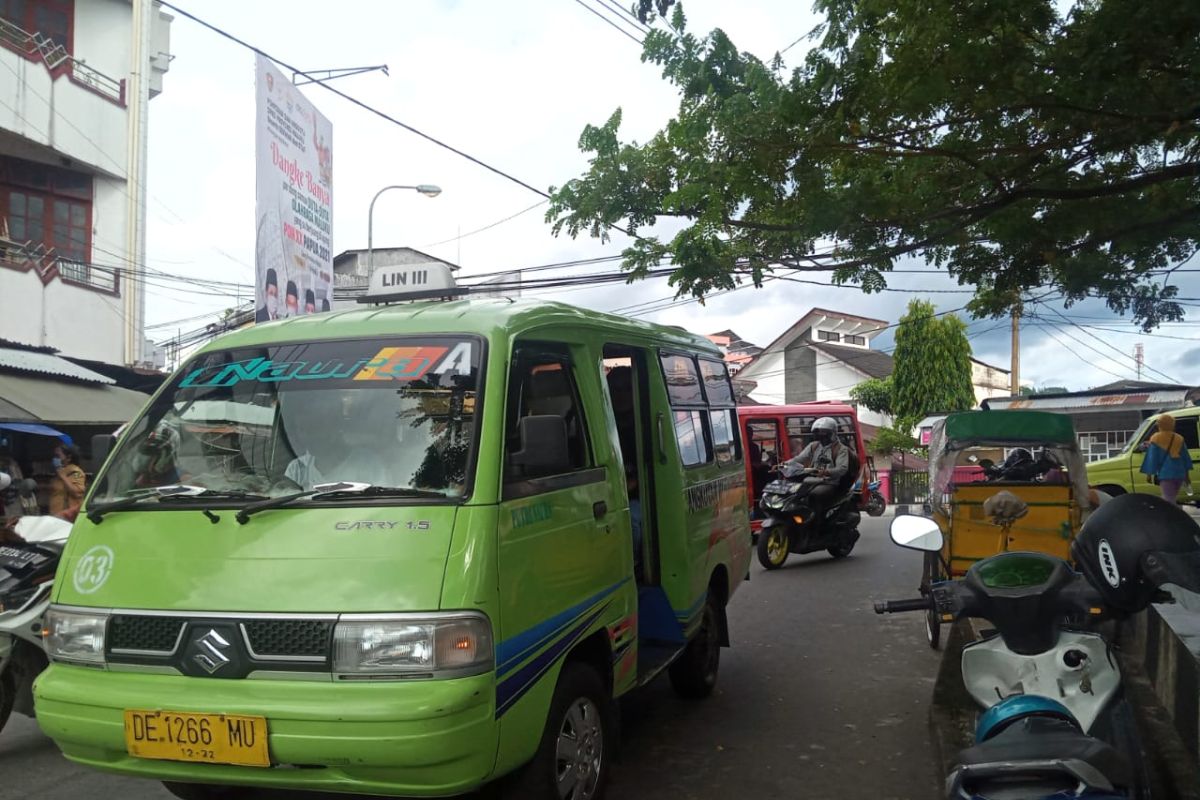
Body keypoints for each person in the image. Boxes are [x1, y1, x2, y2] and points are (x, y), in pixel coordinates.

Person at [782, 417, 848, 515]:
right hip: (811, 479)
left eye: (824, 432)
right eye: (819, 432)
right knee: (792, 492)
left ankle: (818, 523)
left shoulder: (841, 449)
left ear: (832, 433)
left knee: (814, 495)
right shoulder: (814, 446)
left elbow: (842, 469)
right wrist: (784, 464)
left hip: (829, 482)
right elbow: (799, 459)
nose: (821, 435)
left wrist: (826, 472)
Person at [1141, 414, 1193, 504]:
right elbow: (1185, 458)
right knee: (1172, 497)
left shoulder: (1156, 438)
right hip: (1180, 474)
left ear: (1160, 425)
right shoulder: (1179, 438)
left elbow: (1152, 458)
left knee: (1168, 499)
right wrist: (1187, 476)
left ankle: (1171, 517)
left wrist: (1149, 474)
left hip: (1166, 474)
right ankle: (1174, 515)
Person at [48, 443, 86, 519]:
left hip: (67, 516)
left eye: (58, 456)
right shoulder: (60, 472)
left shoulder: (75, 472)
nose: (55, 459)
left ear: (68, 458)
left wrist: (63, 476)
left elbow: (77, 492)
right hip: (56, 515)